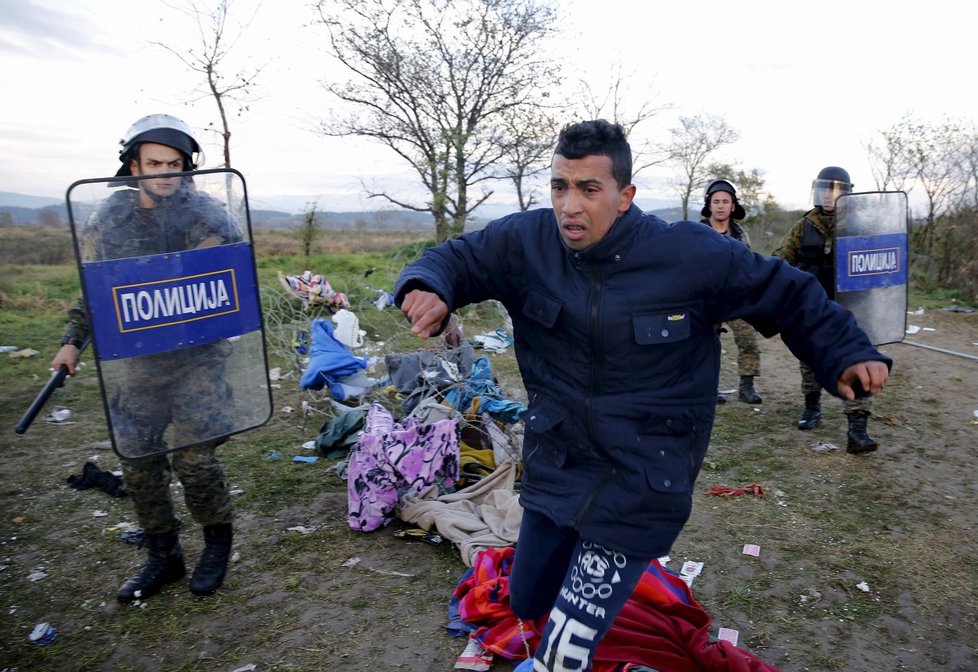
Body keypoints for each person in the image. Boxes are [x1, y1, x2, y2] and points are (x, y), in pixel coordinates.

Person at [394, 120, 890, 671]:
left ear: (625, 196)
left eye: (589, 189)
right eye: (560, 186)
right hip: (558, 463)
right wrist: (427, 289)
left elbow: (790, 292)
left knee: (565, 650)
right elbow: (454, 259)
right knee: (529, 601)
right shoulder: (525, 243)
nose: (569, 205)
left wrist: (844, 350)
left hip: (642, 476)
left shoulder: (690, 254)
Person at [51, 114, 240, 602]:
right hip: (140, 360)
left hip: (199, 356)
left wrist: (209, 253)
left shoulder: (206, 214)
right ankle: (164, 555)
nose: (164, 173)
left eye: (175, 165)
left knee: (195, 460)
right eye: (154, 162)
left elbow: (226, 271)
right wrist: (73, 340)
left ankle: (216, 543)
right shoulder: (109, 219)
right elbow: (94, 288)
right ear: (132, 164)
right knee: (137, 460)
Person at [772, 166, 879, 454]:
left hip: (850, 308)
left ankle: (858, 428)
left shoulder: (859, 226)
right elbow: (779, 261)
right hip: (815, 307)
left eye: (836, 190)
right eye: (825, 190)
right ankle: (812, 407)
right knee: (810, 360)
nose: (830, 196)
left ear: (847, 193)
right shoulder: (803, 226)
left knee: (856, 361)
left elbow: (877, 262)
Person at [699, 179, 763, 404]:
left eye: (725, 201)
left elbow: (747, 266)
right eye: (716, 201)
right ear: (709, 205)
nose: (720, 206)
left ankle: (747, 387)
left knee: (748, 338)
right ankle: (708, 388)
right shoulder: (698, 232)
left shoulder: (739, 234)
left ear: (733, 206)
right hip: (705, 299)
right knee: (704, 345)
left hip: (735, 299)